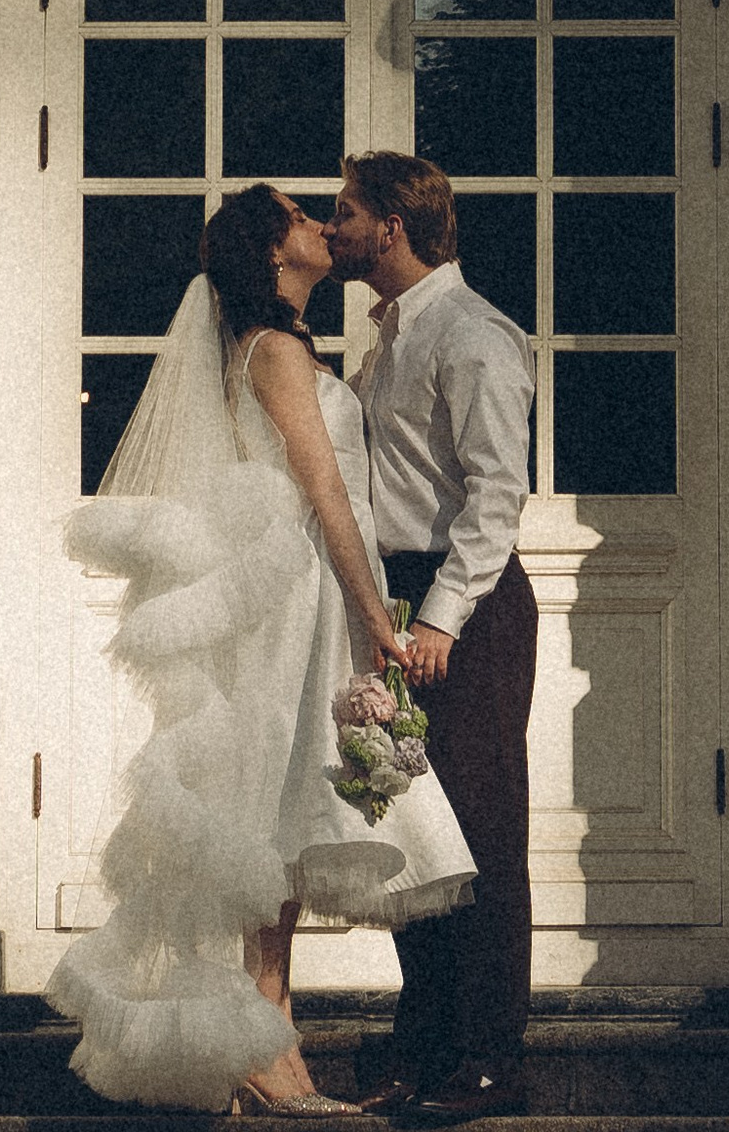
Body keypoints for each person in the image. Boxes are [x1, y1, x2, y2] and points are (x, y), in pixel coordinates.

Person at [51, 186, 474, 1115]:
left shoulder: (280, 348)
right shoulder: (276, 352)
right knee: (271, 819)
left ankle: (266, 1041)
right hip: (302, 598)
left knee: (279, 825)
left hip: (306, 593)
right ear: (273, 252)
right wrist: (378, 621)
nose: (324, 223)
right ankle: (264, 1045)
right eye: (300, 215)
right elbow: (326, 496)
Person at [330, 153, 536, 1127]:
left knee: (482, 838)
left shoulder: (474, 335)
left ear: (392, 228)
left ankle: (491, 1059)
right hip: (398, 601)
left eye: (346, 214)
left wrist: (439, 618)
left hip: (469, 607)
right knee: (419, 842)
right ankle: (422, 1053)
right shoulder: (386, 340)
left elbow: (495, 497)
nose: (334, 230)